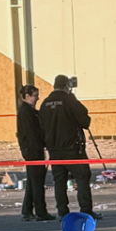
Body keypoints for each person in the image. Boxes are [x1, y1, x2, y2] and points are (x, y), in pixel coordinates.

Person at [39, 75, 102, 220]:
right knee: (82, 177)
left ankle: (62, 211)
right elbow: (85, 120)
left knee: (59, 181)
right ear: (67, 86)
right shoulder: (69, 100)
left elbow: (41, 126)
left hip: (54, 149)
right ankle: (86, 209)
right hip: (72, 148)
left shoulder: (45, 103)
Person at [15, 85, 53, 222]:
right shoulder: (27, 113)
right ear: (27, 96)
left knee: (33, 181)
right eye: (35, 95)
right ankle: (40, 211)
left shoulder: (28, 111)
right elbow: (33, 133)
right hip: (32, 149)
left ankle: (27, 210)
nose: (37, 98)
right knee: (37, 181)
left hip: (32, 148)